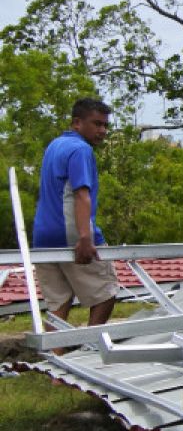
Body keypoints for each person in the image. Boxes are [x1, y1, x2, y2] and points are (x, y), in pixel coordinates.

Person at [31, 97, 119, 327]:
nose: (102, 130)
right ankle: (91, 347)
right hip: (71, 232)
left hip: (43, 236)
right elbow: (81, 195)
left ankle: (52, 358)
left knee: (58, 303)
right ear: (77, 122)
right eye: (97, 124)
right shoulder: (81, 150)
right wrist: (85, 238)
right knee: (105, 293)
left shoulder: (54, 146)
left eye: (105, 125)